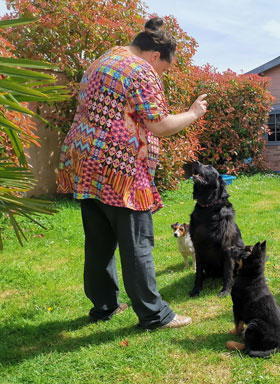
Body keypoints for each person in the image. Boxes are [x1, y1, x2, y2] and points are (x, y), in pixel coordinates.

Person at [57, 17, 207, 329]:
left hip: (83, 163)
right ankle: (155, 315)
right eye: (163, 68)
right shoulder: (139, 70)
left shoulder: (101, 62)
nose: (160, 73)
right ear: (155, 56)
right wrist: (193, 113)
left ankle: (104, 306)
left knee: (99, 243)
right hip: (120, 168)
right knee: (138, 243)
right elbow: (159, 125)